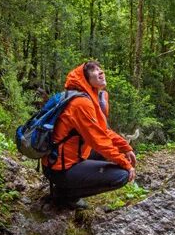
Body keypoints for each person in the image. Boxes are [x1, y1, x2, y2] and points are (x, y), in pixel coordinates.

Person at [44, 61, 136, 207]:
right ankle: (65, 195)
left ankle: (67, 188)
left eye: (100, 69)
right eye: (94, 70)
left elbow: (103, 131)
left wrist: (125, 148)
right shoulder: (81, 103)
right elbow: (98, 141)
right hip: (60, 169)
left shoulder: (86, 98)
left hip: (60, 160)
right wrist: (126, 164)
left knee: (112, 153)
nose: (100, 72)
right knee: (122, 176)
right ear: (85, 79)